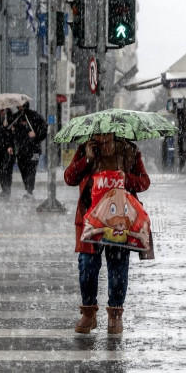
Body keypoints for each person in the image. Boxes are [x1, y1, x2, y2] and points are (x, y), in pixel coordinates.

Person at [64, 132, 150, 336]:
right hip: (90, 220)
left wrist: (126, 178)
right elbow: (69, 178)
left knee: (118, 267)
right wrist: (87, 159)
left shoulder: (129, 151)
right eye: (99, 134)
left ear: (114, 133)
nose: (103, 139)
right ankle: (89, 312)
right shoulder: (86, 148)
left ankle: (115, 314)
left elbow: (144, 182)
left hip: (120, 221)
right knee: (87, 266)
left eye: (106, 134)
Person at [10, 100, 47, 198]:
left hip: (34, 149)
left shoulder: (35, 116)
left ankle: (29, 190)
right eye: (18, 106)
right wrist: (13, 130)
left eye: (22, 105)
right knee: (23, 168)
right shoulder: (15, 117)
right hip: (21, 149)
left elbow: (44, 130)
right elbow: (11, 134)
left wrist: (36, 134)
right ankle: (27, 187)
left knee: (31, 169)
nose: (20, 107)